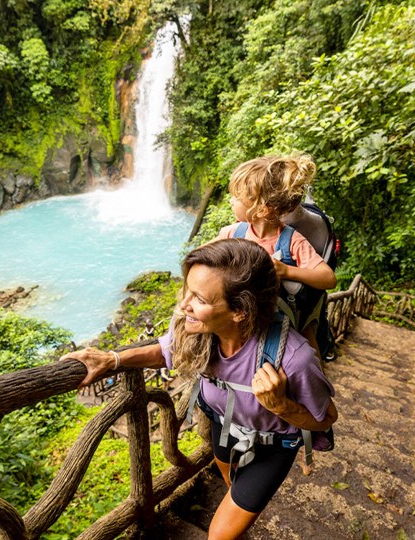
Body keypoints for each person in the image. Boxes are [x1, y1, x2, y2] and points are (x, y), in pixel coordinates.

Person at [63, 239, 337, 540]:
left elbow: (325, 419)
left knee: (219, 535)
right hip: (223, 424)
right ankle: (238, 503)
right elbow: (165, 350)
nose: (183, 305)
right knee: (230, 477)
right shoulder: (198, 331)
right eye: (187, 290)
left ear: (239, 311)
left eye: (200, 299)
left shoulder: (294, 359)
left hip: (273, 445)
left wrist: (282, 406)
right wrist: (112, 359)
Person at [216, 154, 336, 354]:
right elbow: (202, 257)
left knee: (308, 355)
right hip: (241, 318)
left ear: (261, 210)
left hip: (280, 320)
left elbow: (328, 278)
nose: (231, 201)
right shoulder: (232, 233)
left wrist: (286, 271)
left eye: (237, 198)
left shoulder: (291, 242)